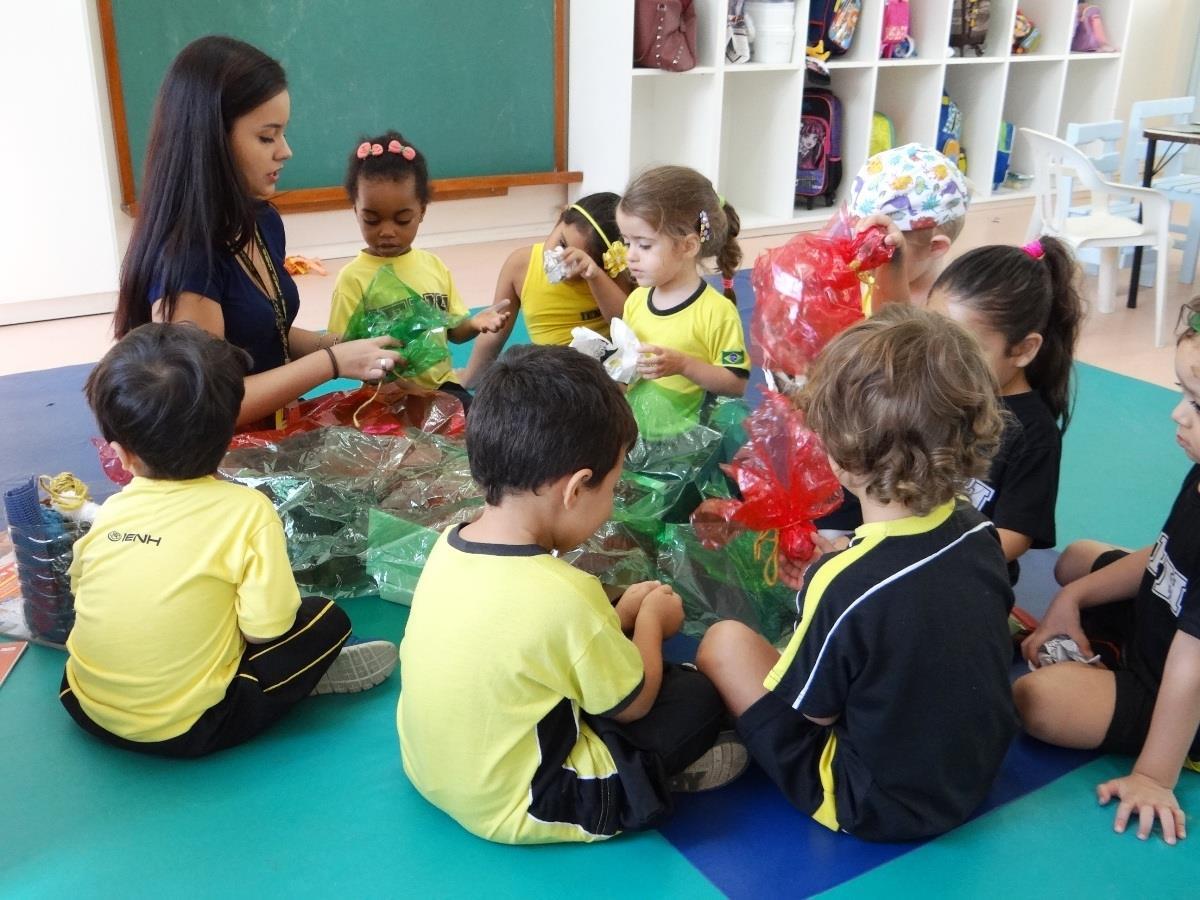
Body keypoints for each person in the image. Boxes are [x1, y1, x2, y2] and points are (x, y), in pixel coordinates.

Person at [696, 305, 1018, 842]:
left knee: (723, 642)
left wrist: (819, 601)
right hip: (975, 773)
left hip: (877, 803)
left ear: (841, 459)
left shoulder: (842, 585)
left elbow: (816, 716)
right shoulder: (976, 529)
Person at [397, 344, 742, 844]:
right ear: (576, 488)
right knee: (695, 696)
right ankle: (651, 783)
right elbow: (634, 704)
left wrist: (615, 616)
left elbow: (524, 636)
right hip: (531, 802)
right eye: (613, 487)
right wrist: (650, 622)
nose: (611, 502)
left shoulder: (449, 544)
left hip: (432, 769)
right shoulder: (565, 593)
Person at [59, 323, 396, 757]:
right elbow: (266, 630)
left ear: (120, 453)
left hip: (83, 703)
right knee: (326, 619)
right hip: (189, 728)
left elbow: (82, 589)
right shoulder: (246, 511)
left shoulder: (113, 510)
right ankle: (304, 680)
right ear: (227, 441)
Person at [112, 36, 402, 429]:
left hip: (277, 425)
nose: (285, 151)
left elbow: (264, 334)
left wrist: (337, 345)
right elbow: (210, 407)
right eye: (267, 136)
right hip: (222, 453)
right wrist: (332, 362)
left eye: (282, 134)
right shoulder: (188, 259)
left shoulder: (260, 218)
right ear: (212, 139)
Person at [1014, 299, 1200, 847]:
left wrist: (1152, 775)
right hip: (1162, 616)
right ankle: (1100, 638)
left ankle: (1167, 739)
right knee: (1075, 560)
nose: (1177, 413)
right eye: (1184, 395)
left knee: (1037, 702)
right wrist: (1071, 600)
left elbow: (1190, 670)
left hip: (1177, 682)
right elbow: (1164, 552)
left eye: (1198, 402)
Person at [927, 237, 1084, 581]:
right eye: (932, 339)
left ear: (1023, 350)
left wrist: (926, 564)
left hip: (967, 582)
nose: (941, 361)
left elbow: (1014, 536)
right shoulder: (938, 391)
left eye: (966, 351)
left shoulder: (1033, 434)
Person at [327, 130, 510, 408]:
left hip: (442, 388)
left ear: (421, 211)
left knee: (482, 431)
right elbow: (342, 347)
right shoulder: (352, 278)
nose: (387, 232)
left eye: (402, 220)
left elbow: (454, 332)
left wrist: (474, 323)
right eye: (372, 220)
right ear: (355, 209)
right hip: (386, 396)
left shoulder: (433, 266)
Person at [616, 166, 749, 438]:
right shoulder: (637, 299)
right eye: (626, 242)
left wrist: (684, 365)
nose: (630, 256)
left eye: (644, 245)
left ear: (688, 246)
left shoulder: (716, 312)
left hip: (686, 447)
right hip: (636, 434)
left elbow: (736, 383)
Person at [459, 193, 635, 387]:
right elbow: (494, 331)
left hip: (599, 374)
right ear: (560, 218)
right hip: (547, 372)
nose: (562, 260)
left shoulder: (610, 276)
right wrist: (470, 377)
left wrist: (594, 276)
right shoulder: (520, 265)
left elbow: (627, 325)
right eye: (561, 244)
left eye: (578, 262)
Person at [848, 142, 970, 306]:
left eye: (882, 250)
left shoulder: (945, 312)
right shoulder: (864, 286)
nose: (863, 260)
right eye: (860, 243)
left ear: (935, 246)